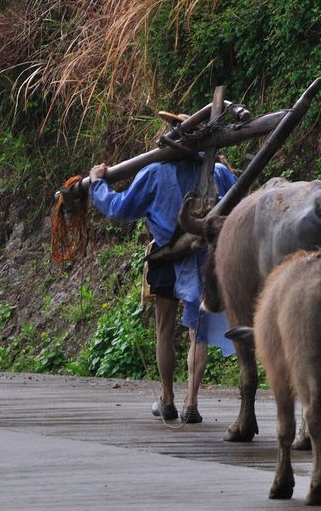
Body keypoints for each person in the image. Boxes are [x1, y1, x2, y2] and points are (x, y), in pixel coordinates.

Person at [88, 148, 236, 424]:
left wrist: (97, 184)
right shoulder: (217, 173)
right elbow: (241, 204)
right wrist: (226, 169)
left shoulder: (153, 173)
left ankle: (168, 399)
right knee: (198, 332)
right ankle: (191, 401)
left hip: (166, 256)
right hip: (204, 258)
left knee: (164, 329)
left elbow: (120, 207)